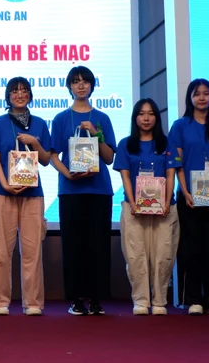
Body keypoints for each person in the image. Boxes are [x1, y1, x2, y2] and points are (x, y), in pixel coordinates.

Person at [49, 65, 116, 316]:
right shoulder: (61, 119)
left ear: (92, 86)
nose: (80, 85)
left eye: (85, 81)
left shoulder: (102, 118)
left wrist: (96, 134)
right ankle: (76, 299)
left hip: (99, 190)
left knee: (98, 246)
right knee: (73, 246)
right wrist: (66, 173)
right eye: (75, 82)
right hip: (70, 190)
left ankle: (97, 299)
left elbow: (109, 158)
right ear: (69, 87)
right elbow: (52, 154)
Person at [169, 78, 209, 316]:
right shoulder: (180, 126)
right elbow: (177, 163)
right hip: (189, 198)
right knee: (190, 247)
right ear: (190, 98)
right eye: (197, 94)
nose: (202, 97)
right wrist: (184, 192)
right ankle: (193, 298)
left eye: (207, 93)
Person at [0, 77, 50, 316]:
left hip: (33, 194)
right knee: (1, 250)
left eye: (24, 90)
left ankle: (32, 302)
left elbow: (45, 160)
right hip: (3, 193)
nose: (20, 94)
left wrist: (35, 142)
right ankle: (1, 301)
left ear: (31, 95)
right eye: (15, 91)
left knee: (32, 251)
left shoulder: (40, 124)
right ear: (8, 96)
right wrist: (5, 184)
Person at [115, 98, 178, 316]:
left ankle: (160, 299)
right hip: (133, 208)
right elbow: (125, 176)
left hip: (164, 209)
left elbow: (171, 175)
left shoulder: (167, 144)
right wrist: (132, 202)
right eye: (141, 114)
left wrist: (168, 201)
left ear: (157, 118)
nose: (146, 118)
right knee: (135, 255)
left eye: (151, 114)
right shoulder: (125, 144)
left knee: (163, 254)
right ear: (135, 118)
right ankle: (141, 299)